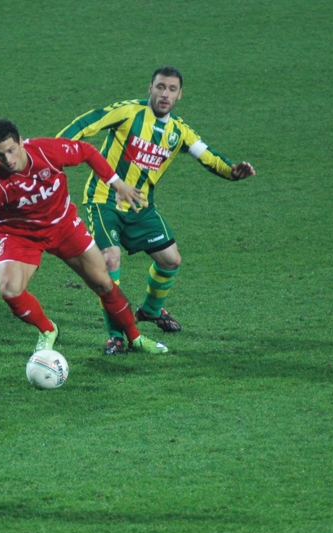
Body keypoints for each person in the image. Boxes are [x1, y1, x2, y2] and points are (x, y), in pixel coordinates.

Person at [58, 66, 256, 354]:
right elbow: (90, 122)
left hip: (141, 206)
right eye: (160, 87)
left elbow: (208, 155)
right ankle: (115, 335)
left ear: (179, 95)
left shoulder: (179, 131)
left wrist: (233, 171)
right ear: (150, 88)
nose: (165, 94)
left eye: (172, 89)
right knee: (109, 260)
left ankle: (151, 310)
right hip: (104, 200)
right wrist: (53, 149)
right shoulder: (129, 112)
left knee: (171, 260)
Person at [0, 118, 168, 356]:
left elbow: (86, 151)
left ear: (21, 142)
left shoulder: (47, 151)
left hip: (64, 226)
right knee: (9, 289)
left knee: (104, 283)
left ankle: (135, 337)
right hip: (20, 235)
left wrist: (116, 184)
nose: (8, 160)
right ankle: (47, 330)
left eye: (11, 150)